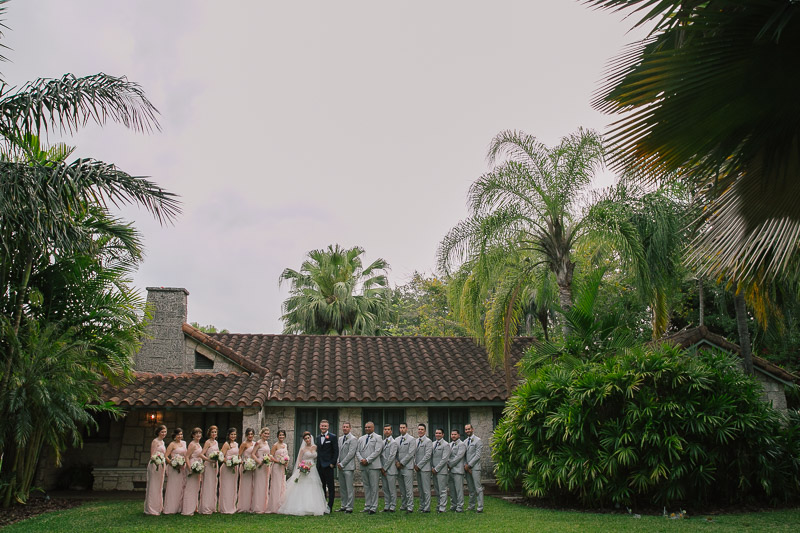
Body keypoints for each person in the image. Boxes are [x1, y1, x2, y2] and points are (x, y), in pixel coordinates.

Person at [277, 431, 329, 516]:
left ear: (310, 438)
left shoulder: (315, 447)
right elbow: (299, 460)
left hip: (313, 469)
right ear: (304, 440)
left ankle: (313, 506)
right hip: (304, 468)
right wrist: (301, 467)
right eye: (305, 439)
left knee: (313, 486)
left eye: (308, 438)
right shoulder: (303, 449)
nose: (307, 440)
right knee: (303, 485)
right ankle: (301, 506)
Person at [356, 421, 382, 514]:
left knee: (374, 487)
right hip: (363, 465)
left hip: (373, 466)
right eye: (366, 427)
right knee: (366, 486)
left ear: (373, 428)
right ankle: (367, 505)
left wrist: (367, 460)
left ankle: (373, 507)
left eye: (369, 427)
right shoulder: (361, 438)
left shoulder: (378, 437)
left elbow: (377, 451)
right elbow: (357, 451)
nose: (367, 429)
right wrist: (361, 459)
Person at [316, 419, 339, 513]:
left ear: (328, 427)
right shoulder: (317, 437)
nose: (323, 427)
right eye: (322, 426)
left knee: (330, 487)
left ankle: (330, 506)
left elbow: (336, 451)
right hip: (320, 466)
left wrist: (332, 463)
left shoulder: (332, 437)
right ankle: (323, 504)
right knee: (321, 486)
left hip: (328, 466)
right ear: (319, 426)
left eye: (325, 426)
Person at [144, 424, 167, 515]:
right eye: (162, 432)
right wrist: (157, 460)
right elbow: (152, 455)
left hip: (161, 465)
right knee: (153, 485)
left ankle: (158, 506)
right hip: (155, 465)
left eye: (165, 432)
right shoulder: (155, 441)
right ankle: (151, 508)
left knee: (159, 486)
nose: (164, 433)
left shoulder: (163, 442)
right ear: (158, 432)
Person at [163, 428, 186, 514]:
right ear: (174, 436)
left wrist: (182, 463)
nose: (180, 436)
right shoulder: (172, 444)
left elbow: (185, 455)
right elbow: (166, 456)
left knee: (181, 487)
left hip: (182, 467)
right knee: (173, 487)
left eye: (181, 434)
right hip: (174, 468)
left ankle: (179, 507)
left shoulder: (184, 443)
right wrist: (172, 464)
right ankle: (170, 508)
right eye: (178, 434)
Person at [266, 429, 289, 513]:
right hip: (276, 467)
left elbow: (286, 455)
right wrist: (278, 461)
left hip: (283, 467)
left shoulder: (285, 445)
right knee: (276, 485)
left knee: (282, 484)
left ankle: (281, 504)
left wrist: (286, 461)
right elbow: (270, 456)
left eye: (283, 435)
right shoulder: (275, 445)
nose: (281, 436)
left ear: (285, 436)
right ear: (277, 436)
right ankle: (274, 506)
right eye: (280, 435)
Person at [181, 427, 204, 515]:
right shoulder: (192, 444)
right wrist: (190, 468)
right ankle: (187, 509)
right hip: (192, 465)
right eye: (196, 433)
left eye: (199, 433)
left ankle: (194, 507)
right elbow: (187, 456)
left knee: (196, 487)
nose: (198, 435)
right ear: (193, 435)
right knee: (190, 487)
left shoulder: (198, 444)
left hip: (198, 466)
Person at [336, 422, 357, 513]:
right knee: (342, 487)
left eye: (347, 427)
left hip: (348, 467)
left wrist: (342, 463)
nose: (345, 428)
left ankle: (349, 507)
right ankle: (343, 505)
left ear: (350, 428)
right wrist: (337, 461)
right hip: (340, 466)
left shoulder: (353, 439)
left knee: (349, 487)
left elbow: (351, 453)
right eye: (344, 427)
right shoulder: (340, 439)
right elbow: (338, 451)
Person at [394, 422, 415, 512]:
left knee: (408, 488)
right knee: (402, 488)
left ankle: (410, 506)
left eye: (403, 427)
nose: (402, 429)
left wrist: (402, 463)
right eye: (400, 427)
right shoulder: (396, 440)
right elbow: (394, 452)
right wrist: (396, 462)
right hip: (398, 467)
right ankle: (404, 505)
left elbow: (411, 453)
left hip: (407, 466)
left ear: (406, 429)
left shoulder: (411, 439)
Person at [198, 425, 219, 514]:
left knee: (213, 485)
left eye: (215, 432)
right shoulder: (208, 442)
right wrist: (209, 459)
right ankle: (205, 507)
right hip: (209, 465)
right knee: (208, 485)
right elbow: (201, 454)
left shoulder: (216, 442)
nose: (214, 434)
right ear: (209, 433)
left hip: (215, 466)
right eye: (212, 432)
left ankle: (212, 506)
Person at [464, 423, 484, 513]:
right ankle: (471, 505)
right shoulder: (464, 442)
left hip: (475, 468)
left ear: (472, 429)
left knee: (478, 488)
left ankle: (480, 507)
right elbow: (463, 455)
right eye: (466, 429)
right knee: (470, 488)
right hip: (467, 468)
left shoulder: (478, 440)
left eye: (469, 429)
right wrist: (466, 466)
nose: (467, 430)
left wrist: (470, 465)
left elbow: (477, 455)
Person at [218, 427, 239, 514]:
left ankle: (232, 507)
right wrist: (228, 462)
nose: (233, 436)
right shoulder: (226, 444)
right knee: (226, 487)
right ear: (228, 435)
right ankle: (225, 508)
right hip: (227, 468)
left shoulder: (236, 444)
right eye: (231, 434)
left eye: (234, 434)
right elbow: (221, 457)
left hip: (234, 468)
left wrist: (236, 461)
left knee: (232, 487)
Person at [414, 423, 434, 512]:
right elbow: (413, 454)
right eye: (419, 429)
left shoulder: (428, 441)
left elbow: (428, 455)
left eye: (422, 429)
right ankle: (422, 505)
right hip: (417, 468)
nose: (420, 431)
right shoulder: (415, 441)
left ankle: (427, 507)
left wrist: (419, 465)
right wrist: (415, 464)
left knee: (426, 489)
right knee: (420, 488)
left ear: (425, 431)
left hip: (425, 468)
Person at [431, 428, 450, 513]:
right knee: (437, 490)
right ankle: (438, 505)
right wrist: (432, 467)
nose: (437, 435)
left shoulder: (446, 445)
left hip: (441, 471)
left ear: (443, 435)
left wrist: (436, 468)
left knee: (442, 490)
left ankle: (443, 508)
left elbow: (444, 459)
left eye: (439, 433)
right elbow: (431, 457)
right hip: (433, 470)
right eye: (436, 433)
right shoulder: (433, 444)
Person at [380, 423, 398, 513]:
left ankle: (393, 506)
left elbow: (392, 456)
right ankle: (387, 505)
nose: (386, 431)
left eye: (388, 429)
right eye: (385, 429)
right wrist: (381, 468)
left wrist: (385, 468)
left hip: (390, 469)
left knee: (392, 489)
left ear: (391, 431)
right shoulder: (383, 442)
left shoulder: (394, 443)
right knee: (385, 488)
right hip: (383, 469)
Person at [252, 427, 271, 513]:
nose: (266, 435)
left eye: (268, 434)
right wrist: (259, 461)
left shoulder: (266, 443)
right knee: (259, 485)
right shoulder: (258, 443)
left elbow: (268, 454)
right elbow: (252, 454)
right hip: (260, 466)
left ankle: (264, 506)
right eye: (265, 433)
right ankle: (258, 507)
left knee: (265, 485)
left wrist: (268, 459)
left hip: (266, 466)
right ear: (261, 434)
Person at [237, 428, 256, 512]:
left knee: (252, 486)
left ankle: (251, 505)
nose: (250, 436)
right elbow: (239, 455)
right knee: (245, 486)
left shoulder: (255, 444)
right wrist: (243, 463)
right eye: (249, 434)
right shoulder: (244, 444)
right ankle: (244, 506)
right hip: (245, 467)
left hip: (252, 467)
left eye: (252, 434)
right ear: (246, 435)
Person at [447, 429, 466, 512]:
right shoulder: (449, 444)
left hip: (458, 470)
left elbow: (458, 457)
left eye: (455, 434)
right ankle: (453, 505)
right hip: (450, 471)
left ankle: (460, 506)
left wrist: (450, 464)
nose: (453, 436)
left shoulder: (462, 444)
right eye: (452, 434)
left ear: (459, 435)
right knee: (452, 489)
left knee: (459, 489)